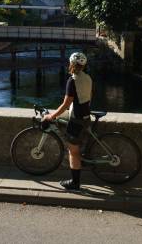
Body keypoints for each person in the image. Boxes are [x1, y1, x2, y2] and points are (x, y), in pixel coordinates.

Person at [43, 52, 92, 191]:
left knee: (73, 152)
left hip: (77, 120)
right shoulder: (88, 78)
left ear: (71, 64)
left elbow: (66, 104)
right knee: (76, 147)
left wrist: (51, 116)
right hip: (85, 116)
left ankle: (75, 184)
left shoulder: (72, 80)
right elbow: (88, 98)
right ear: (83, 65)